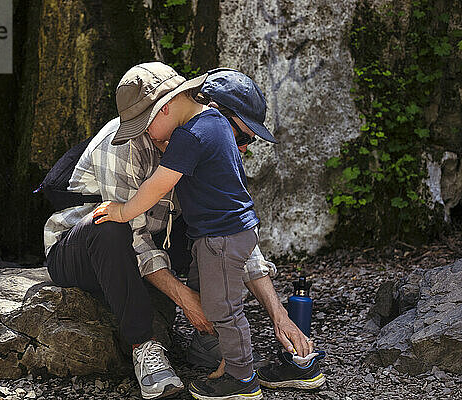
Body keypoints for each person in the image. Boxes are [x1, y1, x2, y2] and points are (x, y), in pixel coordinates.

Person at [43, 63, 316, 400]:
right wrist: (186, 299)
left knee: (211, 236)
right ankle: (144, 346)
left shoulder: (200, 139)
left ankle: (208, 342)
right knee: (111, 226)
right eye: (242, 137)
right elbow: (134, 234)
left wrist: (279, 315)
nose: (243, 148)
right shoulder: (123, 146)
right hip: (81, 247)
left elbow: (233, 230)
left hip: (152, 237)